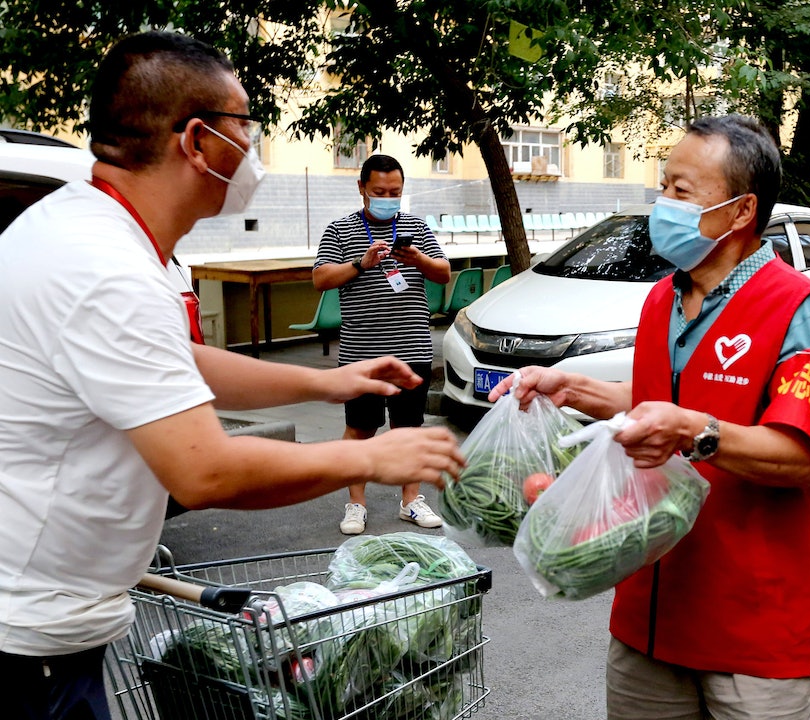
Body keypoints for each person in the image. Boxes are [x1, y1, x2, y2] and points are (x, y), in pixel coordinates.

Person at [0, 32, 465, 720]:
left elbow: (181, 364)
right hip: (30, 641)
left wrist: (329, 383)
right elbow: (205, 472)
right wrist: (366, 454)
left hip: (52, 619)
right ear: (196, 140)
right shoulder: (104, 268)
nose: (250, 147)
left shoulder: (109, 239)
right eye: (244, 125)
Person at [489, 114, 810, 720]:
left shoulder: (801, 312)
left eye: (682, 191)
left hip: (752, 632)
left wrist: (694, 432)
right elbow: (656, 397)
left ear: (740, 212)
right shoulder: (664, 297)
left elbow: (799, 457)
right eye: (663, 186)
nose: (663, 203)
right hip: (648, 616)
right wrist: (568, 387)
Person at [313, 154, 453, 534]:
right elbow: (321, 278)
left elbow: (443, 273)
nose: (388, 197)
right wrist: (361, 263)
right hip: (362, 352)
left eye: (395, 192)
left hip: (412, 347)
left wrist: (418, 258)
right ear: (362, 188)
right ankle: (355, 503)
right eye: (379, 191)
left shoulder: (416, 227)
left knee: (408, 427)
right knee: (360, 428)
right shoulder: (340, 230)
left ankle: (411, 500)